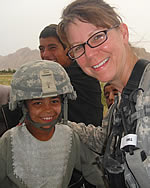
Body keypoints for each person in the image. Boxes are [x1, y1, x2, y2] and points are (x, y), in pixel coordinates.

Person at [57, 0, 150, 187]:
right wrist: (59, 123)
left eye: (98, 37)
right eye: (78, 48)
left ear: (123, 33)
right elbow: (105, 139)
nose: (89, 54)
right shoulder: (122, 102)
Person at [0, 60, 105, 188]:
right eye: (37, 103)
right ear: (24, 106)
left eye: (54, 101)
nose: (48, 109)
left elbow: (94, 171)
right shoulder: (8, 141)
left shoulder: (70, 137)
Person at [39, 24, 103, 127]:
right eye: (42, 49)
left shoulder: (80, 73)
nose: (45, 54)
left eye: (52, 48)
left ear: (70, 50)